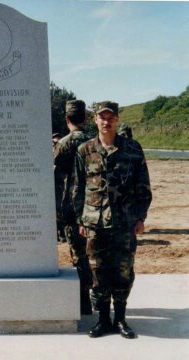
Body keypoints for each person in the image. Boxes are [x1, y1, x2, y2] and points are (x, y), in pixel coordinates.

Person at [71, 101, 152, 338]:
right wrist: (81, 220)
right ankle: (103, 320)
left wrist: (140, 217)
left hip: (125, 223)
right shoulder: (84, 150)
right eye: (102, 117)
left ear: (117, 119)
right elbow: (77, 188)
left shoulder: (132, 149)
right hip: (95, 224)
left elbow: (143, 187)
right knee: (98, 272)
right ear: (95, 119)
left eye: (111, 117)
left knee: (124, 271)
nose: (107, 122)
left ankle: (121, 319)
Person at [54, 100, 93, 315]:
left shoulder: (63, 145)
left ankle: (84, 302)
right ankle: (99, 298)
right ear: (85, 118)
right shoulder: (93, 141)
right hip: (95, 206)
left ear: (67, 119)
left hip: (70, 207)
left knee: (79, 255)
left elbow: (55, 175)